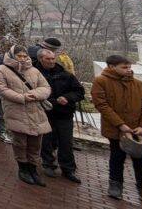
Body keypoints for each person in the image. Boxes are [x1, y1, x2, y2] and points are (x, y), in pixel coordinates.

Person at [92, 54, 142, 200]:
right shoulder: (101, 81)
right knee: (117, 157)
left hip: (138, 129)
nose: (128, 70)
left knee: (140, 160)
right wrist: (121, 125)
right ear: (111, 67)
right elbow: (102, 105)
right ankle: (115, 185)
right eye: (124, 67)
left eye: (129, 67)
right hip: (115, 129)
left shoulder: (138, 84)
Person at [0, 45, 51, 187]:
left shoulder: (34, 70)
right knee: (20, 143)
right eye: (19, 56)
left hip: (35, 111)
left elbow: (45, 87)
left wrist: (34, 94)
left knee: (36, 143)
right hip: (16, 110)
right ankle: (23, 169)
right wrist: (22, 97)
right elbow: (1, 88)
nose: (23, 59)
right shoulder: (2, 69)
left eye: (25, 56)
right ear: (12, 55)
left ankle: (33, 169)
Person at [35, 48, 85, 183]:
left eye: (53, 59)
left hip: (64, 113)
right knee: (46, 141)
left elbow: (79, 92)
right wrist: (54, 101)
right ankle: (48, 164)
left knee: (66, 142)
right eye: (48, 59)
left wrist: (67, 98)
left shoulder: (65, 75)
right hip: (45, 112)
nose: (52, 61)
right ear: (40, 59)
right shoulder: (35, 74)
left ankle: (68, 169)